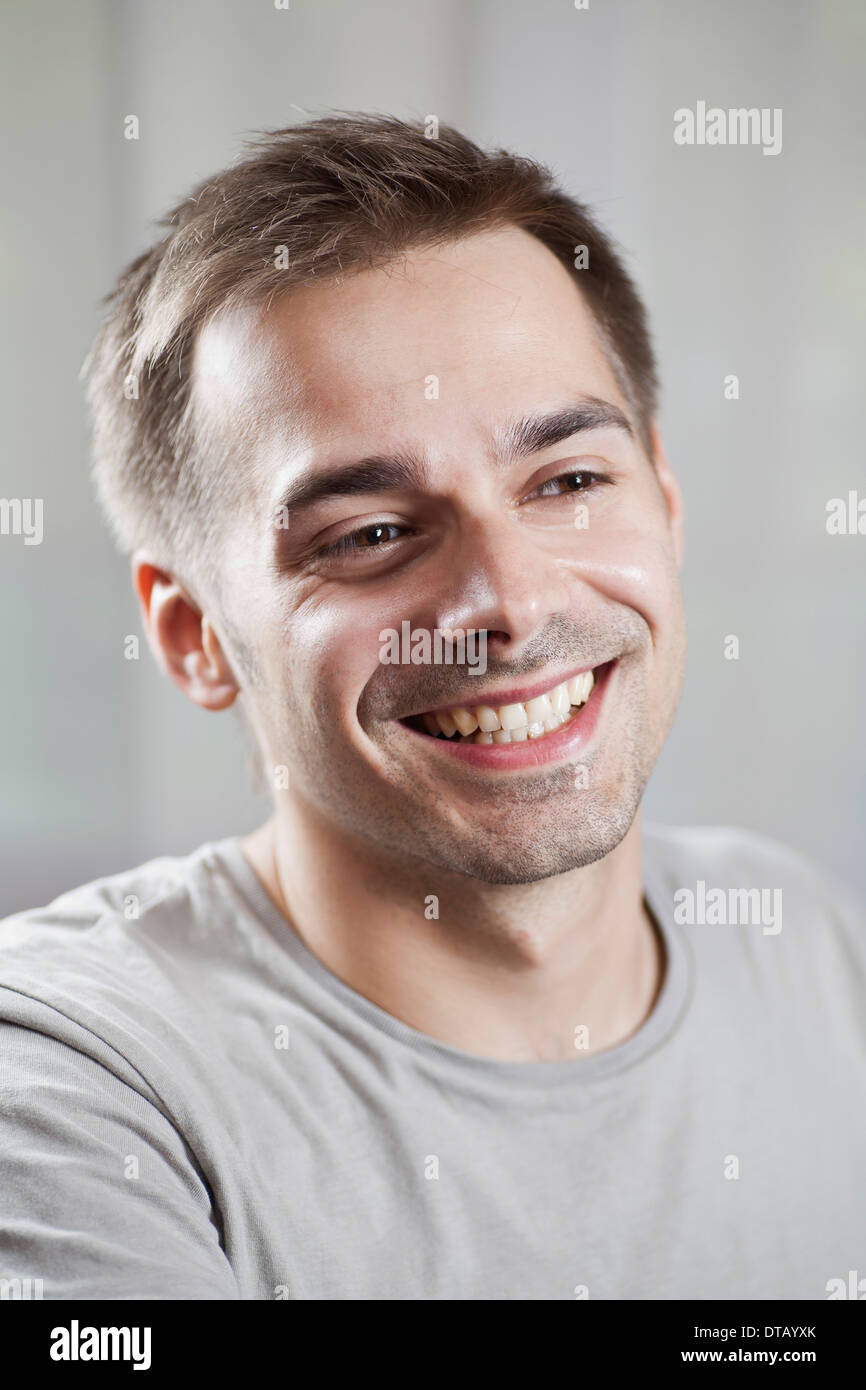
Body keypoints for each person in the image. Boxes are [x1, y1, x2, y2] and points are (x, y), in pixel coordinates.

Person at [1, 114, 863, 1301]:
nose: (505, 601)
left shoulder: (808, 946)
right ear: (196, 635)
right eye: (368, 535)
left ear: (661, 500)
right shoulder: (68, 1089)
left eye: (566, 480)